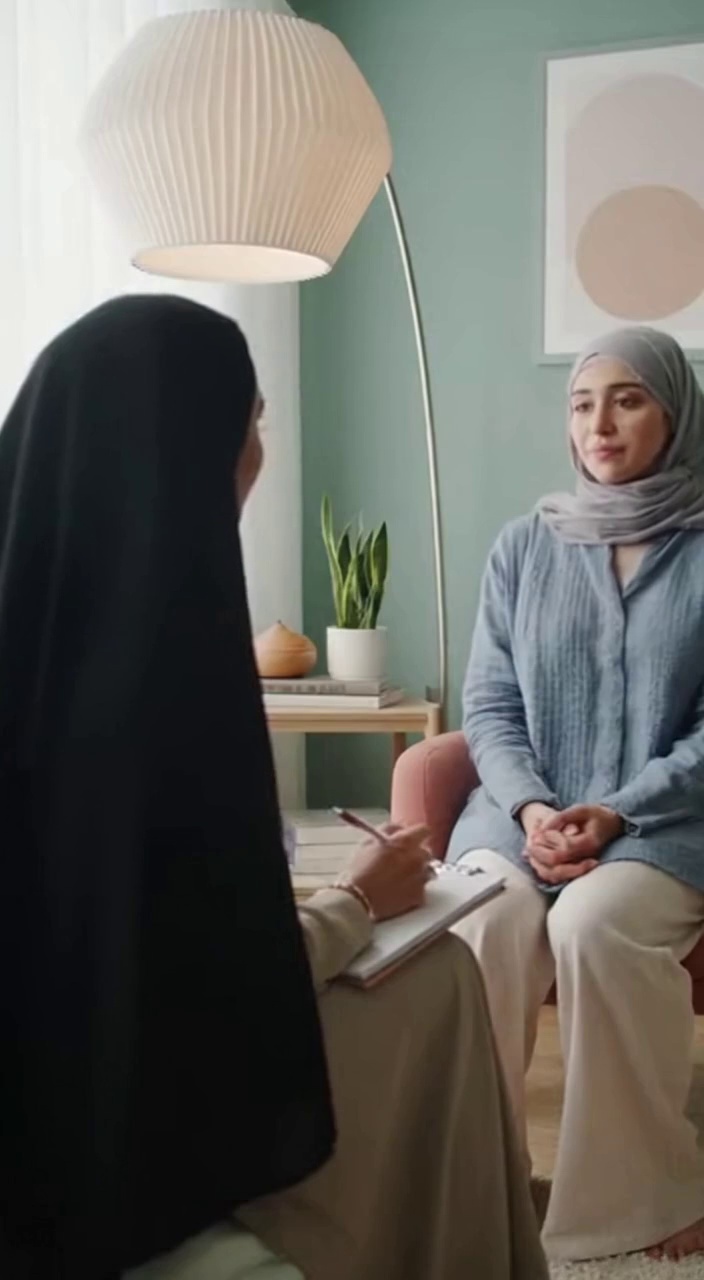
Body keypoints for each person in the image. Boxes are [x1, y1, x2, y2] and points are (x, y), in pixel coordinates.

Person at [0, 294, 547, 1280]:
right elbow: (183, 996)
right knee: (438, 986)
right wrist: (353, 903)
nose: (259, 454)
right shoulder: (154, 675)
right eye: (251, 422)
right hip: (95, 1144)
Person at [448, 326, 704, 1264]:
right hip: (520, 814)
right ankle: (478, 1183)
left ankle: (637, 1202)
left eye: (628, 400)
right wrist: (530, 809)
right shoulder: (525, 546)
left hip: (665, 822)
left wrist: (619, 810)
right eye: (583, 403)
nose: (600, 423)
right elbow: (489, 704)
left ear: (675, 415)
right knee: (478, 923)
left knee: (593, 925)